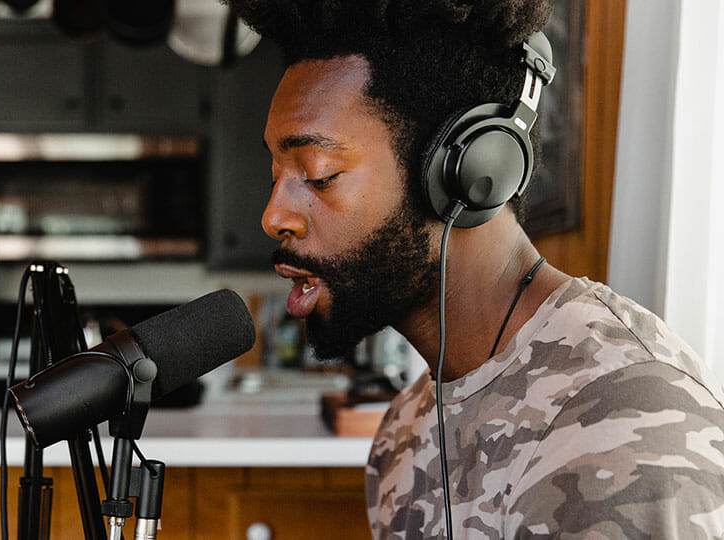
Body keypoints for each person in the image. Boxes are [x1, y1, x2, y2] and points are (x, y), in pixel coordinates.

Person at [223, 0, 724, 537]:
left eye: (319, 174)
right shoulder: (405, 429)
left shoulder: (626, 417)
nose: (273, 216)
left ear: (465, 174)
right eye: (277, 174)